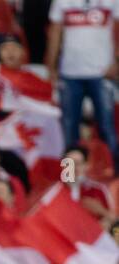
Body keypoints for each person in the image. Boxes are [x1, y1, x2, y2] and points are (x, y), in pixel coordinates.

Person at [47, 0, 119, 157]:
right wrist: (51, 66)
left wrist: (117, 61)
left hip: (102, 72)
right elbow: (55, 32)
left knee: (107, 127)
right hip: (69, 73)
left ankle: (114, 176)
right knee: (69, 129)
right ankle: (69, 177)